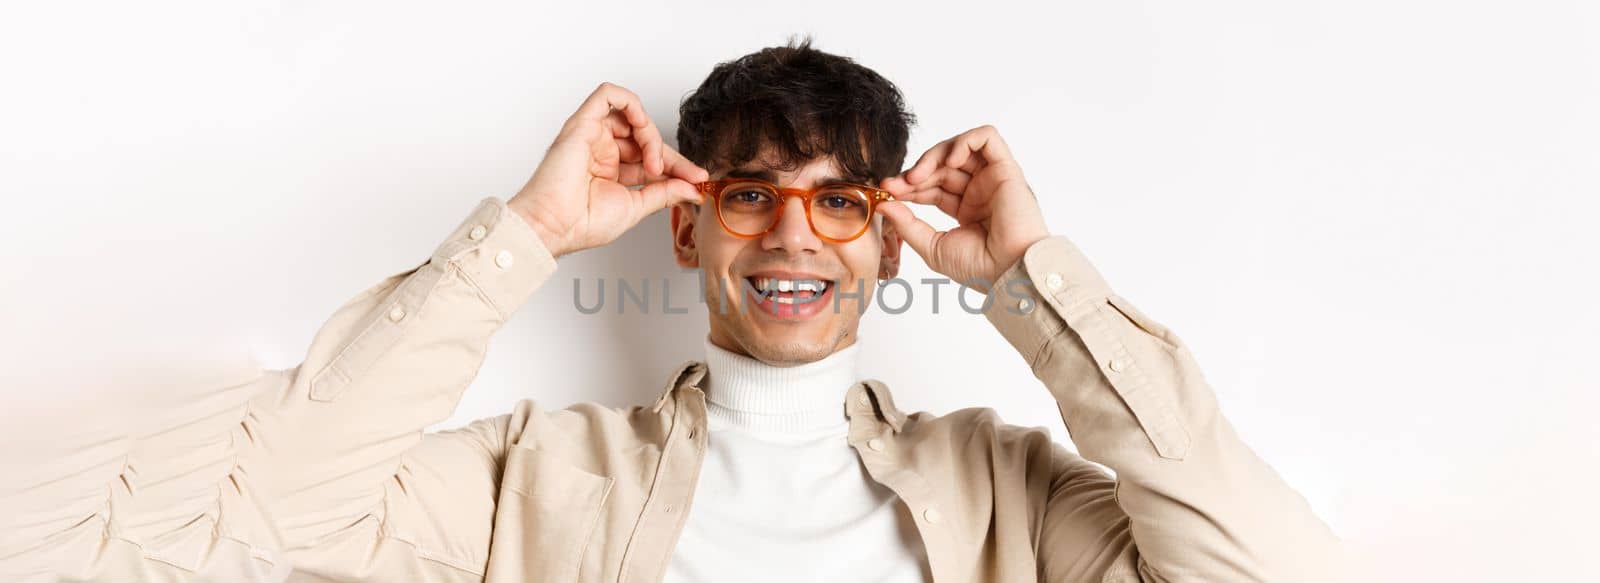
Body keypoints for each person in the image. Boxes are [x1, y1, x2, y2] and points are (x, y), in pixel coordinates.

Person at [0, 40, 1339, 582]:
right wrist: (524, 237)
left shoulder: (1005, 495)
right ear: (689, 229)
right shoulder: (535, 482)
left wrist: (1036, 281)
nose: (794, 238)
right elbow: (244, 516)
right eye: (752, 199)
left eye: (839, 204)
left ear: (888, 243)